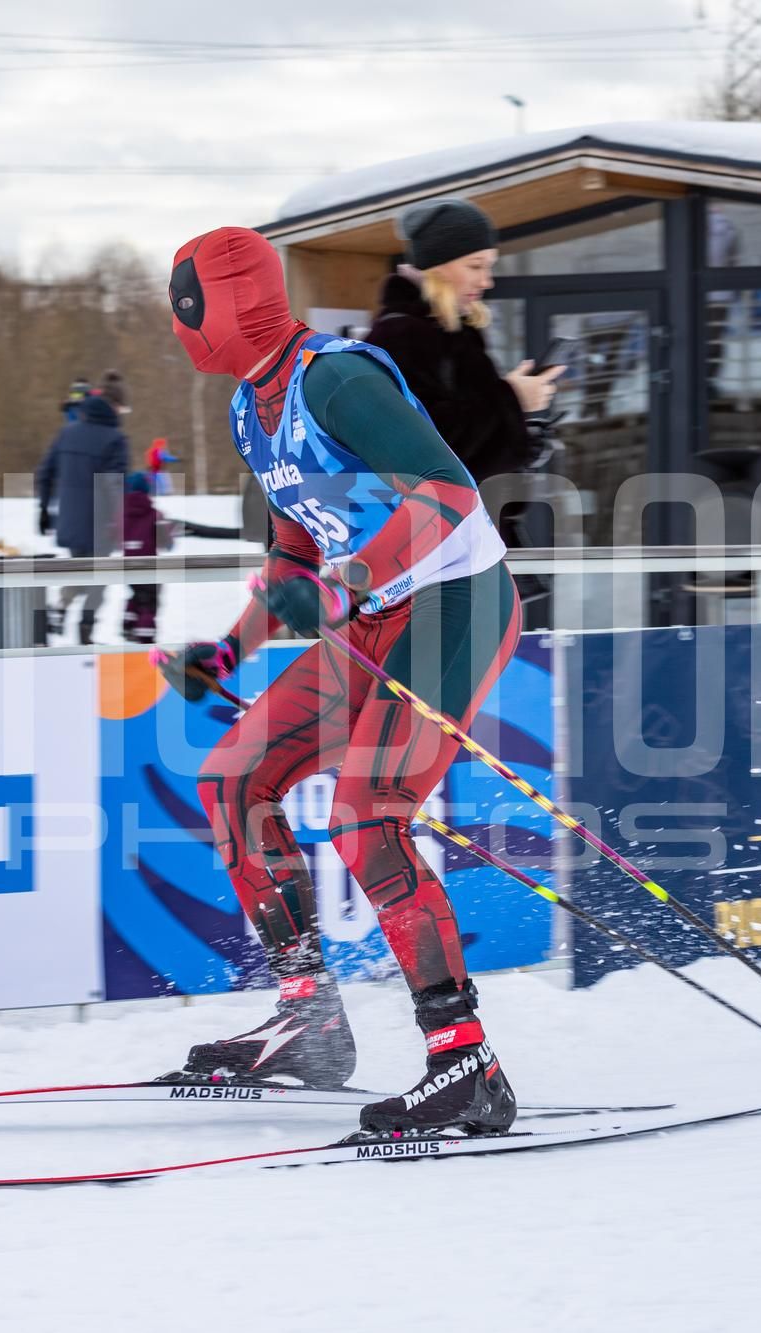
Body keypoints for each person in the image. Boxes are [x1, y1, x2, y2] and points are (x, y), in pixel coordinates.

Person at [155, 225, 521, 1138]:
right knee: (234, 779)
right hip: (370, 614)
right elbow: (295, 546)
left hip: (453, 603)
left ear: (235, 302)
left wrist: (344, 583)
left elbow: (448, 494)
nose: (182, 323)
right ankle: (310, 1017)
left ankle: (464, 1060)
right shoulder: (252, 405)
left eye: (189, 304)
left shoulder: (337, 378)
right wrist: (228, 652)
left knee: (367, 811)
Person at [367, 198, 562, 626]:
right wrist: (511, 400)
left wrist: (522, 434)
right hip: (436, 561)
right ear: (437, 266)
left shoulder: (452, 329)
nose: (487, 280)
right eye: (475, 266)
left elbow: (471, 447)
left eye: (488, 266)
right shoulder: (402, 335)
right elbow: (429, 447)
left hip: (466, 549)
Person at [36, 389, 130, 644]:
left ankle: (60, 608)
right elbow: (115, 485)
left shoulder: (67, 433)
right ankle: (85, 632)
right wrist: (121, 520)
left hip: (70, 520)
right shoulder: (115, 438)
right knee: (99, 580)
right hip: (101, 524)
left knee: (81, 571)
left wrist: (43, 510)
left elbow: (45, 474)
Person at [121, 471, 173, 643]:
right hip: (149, 567)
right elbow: (165, 541)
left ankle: (128, 621)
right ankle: (145, 639)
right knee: (149, 603)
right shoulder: (154, 514)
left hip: (127, 566)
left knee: (137, 595)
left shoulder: (122, 513)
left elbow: (114, 534)